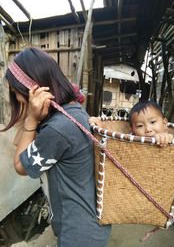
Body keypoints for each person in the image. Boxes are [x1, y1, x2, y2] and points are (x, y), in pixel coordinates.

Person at [2, 47, 111, 247]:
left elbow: (20, 165)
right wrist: (33, 117)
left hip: (79, 234)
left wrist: (32, 119)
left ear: (33, 90)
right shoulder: (73, 112)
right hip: (88, 226)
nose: (17, 99)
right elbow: (21, 142)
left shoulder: (60, 129)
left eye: (16, 93)